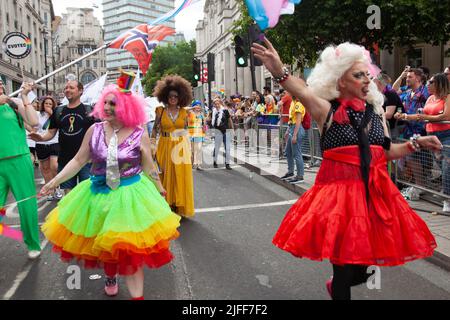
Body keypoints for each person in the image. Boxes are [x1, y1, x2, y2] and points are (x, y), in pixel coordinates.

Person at [252, 37, 440, 300]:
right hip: (338, 200)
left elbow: (384, 153)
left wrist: (416, 143)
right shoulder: (326, 110)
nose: (366, 80)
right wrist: (278, 69)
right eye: (358, 75)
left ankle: (337, 285)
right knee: (342, 271)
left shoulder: (376, 115)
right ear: (340, 80)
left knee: (363, 270)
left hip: (371, 197)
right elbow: (302, 91)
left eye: (367, 74)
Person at [39, 71, 180, 300]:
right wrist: (53, 182)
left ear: (125, 106)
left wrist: (160, 188)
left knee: (131, 252)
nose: (107, 107)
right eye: (105, 102)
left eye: (113, 103)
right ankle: (110, 275)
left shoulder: (138, 132)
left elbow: (149, 166)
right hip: (97, 193)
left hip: (130, 195)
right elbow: (78, 160)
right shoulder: (94, 130)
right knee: (104, 242)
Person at [29, 79, 95, 194]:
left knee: (88, 193)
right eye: (66, 88)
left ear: (80, 91)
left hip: (86, 161)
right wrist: (41, 138)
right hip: (65, 160)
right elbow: (51, 133)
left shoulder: (89, 110)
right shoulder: (59, 111)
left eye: (71, 88)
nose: (67, 90)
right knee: (69, 195)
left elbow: (98, 134)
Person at [0, 82, 41, 259]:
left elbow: (34, 122)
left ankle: (32, 243)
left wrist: (24, 97)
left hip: (19, 160)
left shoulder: (13, 103)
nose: (1, 84)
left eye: (1, 81)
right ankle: (17, 235)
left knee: (26, 205)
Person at [151, 75, 195, 218]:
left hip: (180, 147)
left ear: (181, 97)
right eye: (170, 96)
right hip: (164, 145)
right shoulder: (160, 111)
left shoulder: (184, 112)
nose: (173, 98)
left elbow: (187, 130)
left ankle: (178, 204)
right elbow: (154, 129)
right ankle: (166, 204)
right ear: (165, 96)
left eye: (176, 96)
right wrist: (152, 145)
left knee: (179, 176)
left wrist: (191, 149)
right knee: (164, 174)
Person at [408, 73, 450, 212]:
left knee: (446, 167)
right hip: (431, 135)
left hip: (445, 136)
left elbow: (445, 115)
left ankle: (446, 199)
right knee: (440, 165)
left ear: (439, 83)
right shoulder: (430, 98)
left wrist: (425, 117)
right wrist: (406, 116)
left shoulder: (448, 97)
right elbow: (421, 113)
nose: (427, 84)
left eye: (430, 82)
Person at [35, 97, 62, 201]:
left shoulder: (56, 115)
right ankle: (49, 190)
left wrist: (51, 113)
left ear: (53, 105)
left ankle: (57, 188)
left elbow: (59, 124)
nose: (48, 105)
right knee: (45, 169)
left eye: (50, 104)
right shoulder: (38, 115)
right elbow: (33, 125)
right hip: (41, 143)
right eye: (46, 103)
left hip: (54, 142)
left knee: (54, 166)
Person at [280, 95, 306, 184]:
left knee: (296, 153)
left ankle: (300, 175)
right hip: (292, 128)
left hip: (296, 129)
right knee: (288, 152)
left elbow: (298, 121)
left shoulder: (299, 104)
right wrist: (288, 131)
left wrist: (294, 135)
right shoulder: (293, 103)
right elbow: (291, 119)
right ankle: (290, 172)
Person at [210, 97, 234, 170]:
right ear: (214, 105)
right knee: (217, 147)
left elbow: (230, 120)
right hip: (217, 132)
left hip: (226, 131)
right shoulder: (213, 112)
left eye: (218, 103)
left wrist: (232, 129)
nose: (217, 105)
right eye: (215, 104)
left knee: (227, 148)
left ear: (220, 103)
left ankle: (227, 164)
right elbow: (210, 121)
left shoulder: (225, 111)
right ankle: (215, 161)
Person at [188, 100, 206, 170]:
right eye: (196, 105)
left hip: (199, 134)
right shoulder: (189, 113)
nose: (198, 107)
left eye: (199, 105)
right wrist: (191, 108)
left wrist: (204, 133)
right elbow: (183, 109)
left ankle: (199, 165)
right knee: (192, 150)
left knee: (199, 149)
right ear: (193, 106)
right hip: (191, 134)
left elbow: (204, 125)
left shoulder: (201, 114)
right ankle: (192, 163)